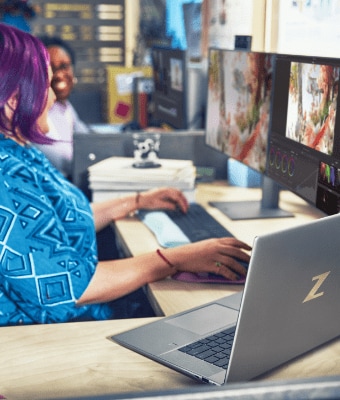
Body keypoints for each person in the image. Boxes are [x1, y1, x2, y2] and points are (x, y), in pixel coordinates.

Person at [0, 23, 251, 326]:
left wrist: (136, 200)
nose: (53, 98)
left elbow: (58, 223)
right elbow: (74, 290)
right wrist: (173, 259)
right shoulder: (6, 178)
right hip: (49, 335)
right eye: (45, 85)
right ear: (14, 100)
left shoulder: (17, 151)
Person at [34, 35, 89, 180]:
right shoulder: (39, 111)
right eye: (51, 69)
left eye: (64, 66)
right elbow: (62, 159)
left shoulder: (65, 106)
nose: (58, 75)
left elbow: (87, 136)